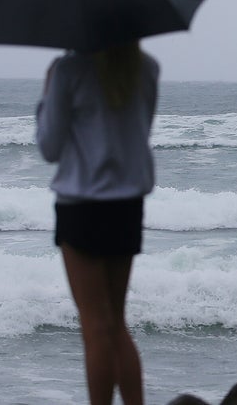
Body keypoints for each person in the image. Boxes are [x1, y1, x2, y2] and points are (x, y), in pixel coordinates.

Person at [36, 40, 159, 405]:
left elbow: (49, 147)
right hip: (127, 205)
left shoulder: (69, 70)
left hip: (82, 206)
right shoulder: (146, 67)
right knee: (116, 322)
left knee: (94, 325)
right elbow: (140, 132)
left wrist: (47, 93)